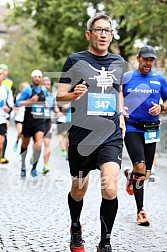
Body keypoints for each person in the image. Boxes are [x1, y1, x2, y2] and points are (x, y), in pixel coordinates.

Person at [56, 13, 125, 252]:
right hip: (82, 136)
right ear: (89, 34)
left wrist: (122, 115)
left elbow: (118, 91)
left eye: (108, 30)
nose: (104, 34)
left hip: (110, 134)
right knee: (79, 189)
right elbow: (59, 96)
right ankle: (76, 226)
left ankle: (105, 242)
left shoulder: (118, 62)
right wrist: (74, 94)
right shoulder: (75, 60)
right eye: (99, 30)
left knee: (110, 187)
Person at [122, 45, 167, 226]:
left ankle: (130, 176)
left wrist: (161, 107)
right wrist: (120, 110)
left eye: (151, 60)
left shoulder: (160, 80)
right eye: (146, 59)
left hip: (151, 129)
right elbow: (115, 96)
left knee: (145, 172)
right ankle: (140, 211)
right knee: (140, 168)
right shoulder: (126, 78)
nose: (148, 63)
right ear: (138, 58)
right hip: (131, 128)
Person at [16, 70, 47, 178]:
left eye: (39, 76)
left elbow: (46, 101)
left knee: (38, 145)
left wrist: (46, 104)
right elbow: (18, 102)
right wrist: (30, 101)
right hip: (28, 122)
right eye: (35, 77)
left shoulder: (44, 90)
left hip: (40, 122)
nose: (37, 78)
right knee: (25, 145)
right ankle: (23, 166)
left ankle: (34, 168)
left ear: (41, 78)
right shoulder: (28, 90)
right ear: (32, 78)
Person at [41, 76, 58, 174]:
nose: (47, 86)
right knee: (37, 145)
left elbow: (55, 109)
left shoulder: (51, 97)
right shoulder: (36, 94)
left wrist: (58, 112)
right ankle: (34, 157)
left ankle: (45, 165)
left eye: (48, 84)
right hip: (36, 122)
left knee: (47, 143)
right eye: (45, 84)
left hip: (47, 122)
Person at [0, 63, 13, 164]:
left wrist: (8, 109)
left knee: (2, 139)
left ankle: (2, 155)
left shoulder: (8, 86)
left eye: (3, 71)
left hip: (3, 117)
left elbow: (10, 106)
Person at [13, 82, 29, 152]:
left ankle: (21, 151)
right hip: (19, 118)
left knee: (24, 137)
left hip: (27, 119)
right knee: (20, 132)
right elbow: (12, 106)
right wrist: (16, 108)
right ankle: (16, 142)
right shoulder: (18, 96)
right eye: (24, 88)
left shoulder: (30, 97)